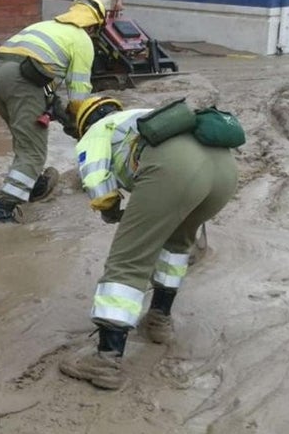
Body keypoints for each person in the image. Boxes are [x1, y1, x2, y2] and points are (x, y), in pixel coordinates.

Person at [57, 96, 239, 390]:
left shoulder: (96, 131)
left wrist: (112, 212)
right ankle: (158, 322)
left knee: (128, 261)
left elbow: (97, 183)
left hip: (175, 169)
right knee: (177, 246)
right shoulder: (141, 117)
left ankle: (105, 361)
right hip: (225, 173)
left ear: (83, 124)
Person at [0, 0, 106, 225]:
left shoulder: (46, 26)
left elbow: (46, 90)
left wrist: (61, 115)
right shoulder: (82, 39)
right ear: (93, 26)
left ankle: (32, 184)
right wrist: (83, 127)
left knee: (25, 138)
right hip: (21, 80)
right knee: (33, 151)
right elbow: (78, 97)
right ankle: (3, 210)